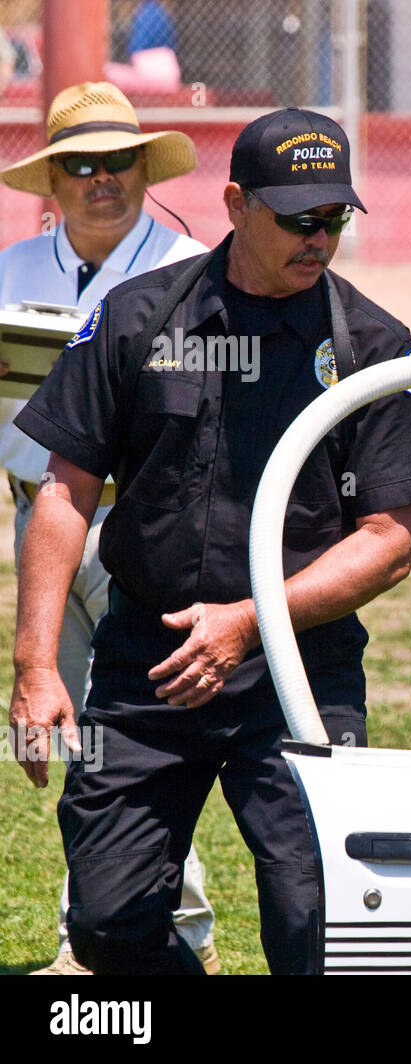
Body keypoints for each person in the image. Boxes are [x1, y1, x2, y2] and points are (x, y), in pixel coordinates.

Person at [8, 106, 411, 975]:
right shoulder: (138, 318)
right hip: (151, 657)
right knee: (105, 922)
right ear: (236, 204)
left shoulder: (373, 345)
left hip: (299, 667)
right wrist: (35, 666)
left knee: (319, 917)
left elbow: (391, 538)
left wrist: (250, 622)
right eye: (299, 219)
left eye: (335, 218)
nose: (320, 238)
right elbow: (63, 487)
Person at [0, 81, 219, 976]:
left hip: (147, 529)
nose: (101, 179)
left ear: (143, 168)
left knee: (140, 747)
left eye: (118, 161)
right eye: (80, 164)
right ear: (51, 180)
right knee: (77, 740)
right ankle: (100, 938)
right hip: (39, 523)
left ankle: (171, 936)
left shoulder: (197, 267)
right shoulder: (9, 270)